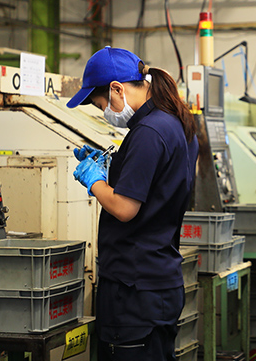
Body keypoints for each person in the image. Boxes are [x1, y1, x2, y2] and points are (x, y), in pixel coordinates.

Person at [66, 47, 199, 360]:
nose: (105, 112)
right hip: (158, 281)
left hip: (133, 291)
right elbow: (156, 187)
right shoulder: (174, 124)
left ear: (116, 89)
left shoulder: (148, 131)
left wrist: (94, 180)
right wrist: (113, 169)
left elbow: (126, 208)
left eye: (101, 105)